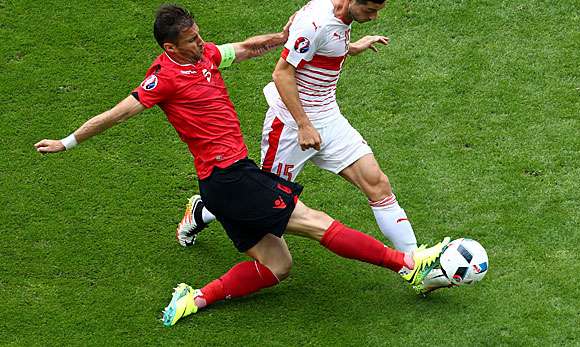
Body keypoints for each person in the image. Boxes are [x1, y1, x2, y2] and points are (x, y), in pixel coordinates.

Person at [34, 4, 449, 327]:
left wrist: (282, 38)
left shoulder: (206, 57)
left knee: (278, 266)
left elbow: (247, 49)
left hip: (224, 183)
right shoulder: (162, 80)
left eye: (199, 36)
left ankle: (194, 298)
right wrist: (67, 142)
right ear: (169, 47)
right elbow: (117, 114)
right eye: (192, 40)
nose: (201, 43)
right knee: (317, 222)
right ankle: (408, 265)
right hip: (231, 179)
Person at [178, 0, 419, 255]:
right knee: (263, 202)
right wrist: (304, 125)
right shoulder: (316, 22)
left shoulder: (335, 14)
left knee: (377, 183)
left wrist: (350, 47)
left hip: (328, 117)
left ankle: (416, 265)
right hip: (290, 126)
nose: (374, 17)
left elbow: (324, 43)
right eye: (370, 10)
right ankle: (203, 211)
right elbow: (281, 74)